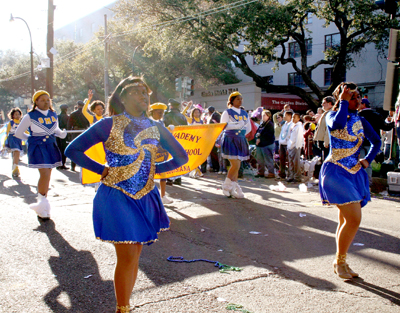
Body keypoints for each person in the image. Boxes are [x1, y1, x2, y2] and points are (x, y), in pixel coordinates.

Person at [65, 77, 188, 312]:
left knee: (135, 253)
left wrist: (154, 170)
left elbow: (182, 158)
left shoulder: (156, 126)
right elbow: (73, 149)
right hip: (116, 194)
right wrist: (101, 170)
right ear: (123, 97)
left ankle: (126, 305)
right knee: (128, 253)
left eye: (146, 92)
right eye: (137, 92)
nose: (144, 96)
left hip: (146, 194)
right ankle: (122, 308)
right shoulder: (108, 124)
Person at [319, 82, 380, 279]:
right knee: (354, 219)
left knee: (346, 219)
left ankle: (340, 261)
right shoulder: (331, 116)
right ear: (342, 98)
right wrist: (343, 102)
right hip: (336, 171)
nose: (357, 100)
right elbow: (337, 125)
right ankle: (340, 261)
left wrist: (367, 160)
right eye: (352, 97)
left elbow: (376, 141)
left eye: (357, 96)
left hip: (354, 173)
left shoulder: (360, 120)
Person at [15, 90, 67, 220]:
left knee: (48, 175)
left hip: (51, 146)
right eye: (42, 100)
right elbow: (19, 133)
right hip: (38, 148)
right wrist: (32, 140)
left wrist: (61, 133)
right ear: (36, 102)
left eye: (47, 100)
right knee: (44, 174)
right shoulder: (30, 116)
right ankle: (42, 204)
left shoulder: (53, 114)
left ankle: (42, 204)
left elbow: (55, 129)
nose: (46, 102)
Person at [220, 92, 251, 198]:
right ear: (232, 100)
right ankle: (226, 185)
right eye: (238, 99)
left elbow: (249, 128)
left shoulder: (244, 113)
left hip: (240, 139)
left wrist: (241, 133)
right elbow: (223, 126)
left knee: (237, 166)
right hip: (230, 139)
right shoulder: (227, 112)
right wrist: (237, 126)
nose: (240, 101)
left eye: (241, 99)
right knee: (235, 165)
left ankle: (232, 189)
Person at [358, 98, 394, 183]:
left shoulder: (358, 116)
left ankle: (362, 182)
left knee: (360, 163)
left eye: (360, 103)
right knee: (367, 163)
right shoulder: (376, 115)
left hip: (361, 142)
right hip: (373, 143)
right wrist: (394, 123)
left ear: (363, 105)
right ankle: (368, 182)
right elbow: (386, 127)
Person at [149, 102, 174, 204]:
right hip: (151, 152)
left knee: (163, 173)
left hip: (162, 151)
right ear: (153, 112)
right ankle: (149, 197)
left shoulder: (162, 122)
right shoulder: (148, 122)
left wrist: (170, 130)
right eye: (159, 112)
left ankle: (163, 196)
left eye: (162, 113)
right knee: (149, 174)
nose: (161, 115)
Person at [163, 99, 188, 185]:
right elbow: (187, 129)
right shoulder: (182, 116)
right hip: (181, 140)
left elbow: (163, 127)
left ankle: (169, 179)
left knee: (169, 158)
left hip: (169, 139)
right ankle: (178, 179)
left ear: (171, 106)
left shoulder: (166, 115)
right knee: (178, 158)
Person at [67, 100, 90, 171]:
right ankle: (84, 166)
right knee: (84, 149)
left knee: (74, 149)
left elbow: (69, 124)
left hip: (75, 132)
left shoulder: (73, 114)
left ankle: (72, 166)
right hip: (84, 132)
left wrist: (69, 133)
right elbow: (88, 123)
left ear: (78, 105)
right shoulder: (86, 114)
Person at [254, 110, 275, 178]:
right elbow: (257, 132)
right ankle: (261, 172)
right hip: (260, 145)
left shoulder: (270, 124)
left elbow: (269, 134)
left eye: (264, 115)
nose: (262, 117)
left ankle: (271, 172)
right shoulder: (262, 124)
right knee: (260, 160)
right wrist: (257, 138)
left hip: (267, 144)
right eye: (262, 115)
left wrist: (260, 139)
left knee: (268, 159)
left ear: (268, 116)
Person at [313, 96, 334, 161]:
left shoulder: (331, 113)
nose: (322, 104)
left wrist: (327, 141)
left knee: (326, 160)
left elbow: (329, 129)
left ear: (330, 103)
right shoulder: (325, 113)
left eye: (324, 103)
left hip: (326, 142)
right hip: (322, 141)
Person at [5, 108, 23, 177]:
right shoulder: (11, 123)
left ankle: (14, 167)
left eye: (19, 114)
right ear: (12, 115)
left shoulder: (21, 123)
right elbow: (7, 132)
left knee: (16, 153)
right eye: (16, 114)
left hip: (19, 139)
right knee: (16, 151)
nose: (17, 116)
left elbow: (25, 130)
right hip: (12, 138)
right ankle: (15, 168)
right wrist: (5, 142)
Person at [287, 113, 303, 182]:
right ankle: (291, 176)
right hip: (290, 146)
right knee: (291, 163)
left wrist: (297, 146)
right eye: (292, 117)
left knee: (296, 162)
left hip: (296, 147)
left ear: (298, 119)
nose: (293, 119)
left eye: (295, 117)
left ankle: (297, 177)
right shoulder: (292, 126)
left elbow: (299, 137)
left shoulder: (299, 127)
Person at [278, 111, 293, 179]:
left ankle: (290, 174)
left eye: (285, 115)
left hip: (288, 144)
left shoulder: (292, 124)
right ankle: (282, 173)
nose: (283, 117)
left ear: (289, 116)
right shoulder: (284, 124)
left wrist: (289, 145)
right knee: (282, 159)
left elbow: (290, 135)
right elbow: (281, 134)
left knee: (289, 160)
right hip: (282, 143)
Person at [56, 104, 70, 170]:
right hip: (64, 134)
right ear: (66, 109)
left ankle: (58, 164)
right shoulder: (67, 117)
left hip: (57, 134)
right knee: (63, 149)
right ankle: (62, 164)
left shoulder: (57, 116)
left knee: (58, 149)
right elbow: (68, 126)